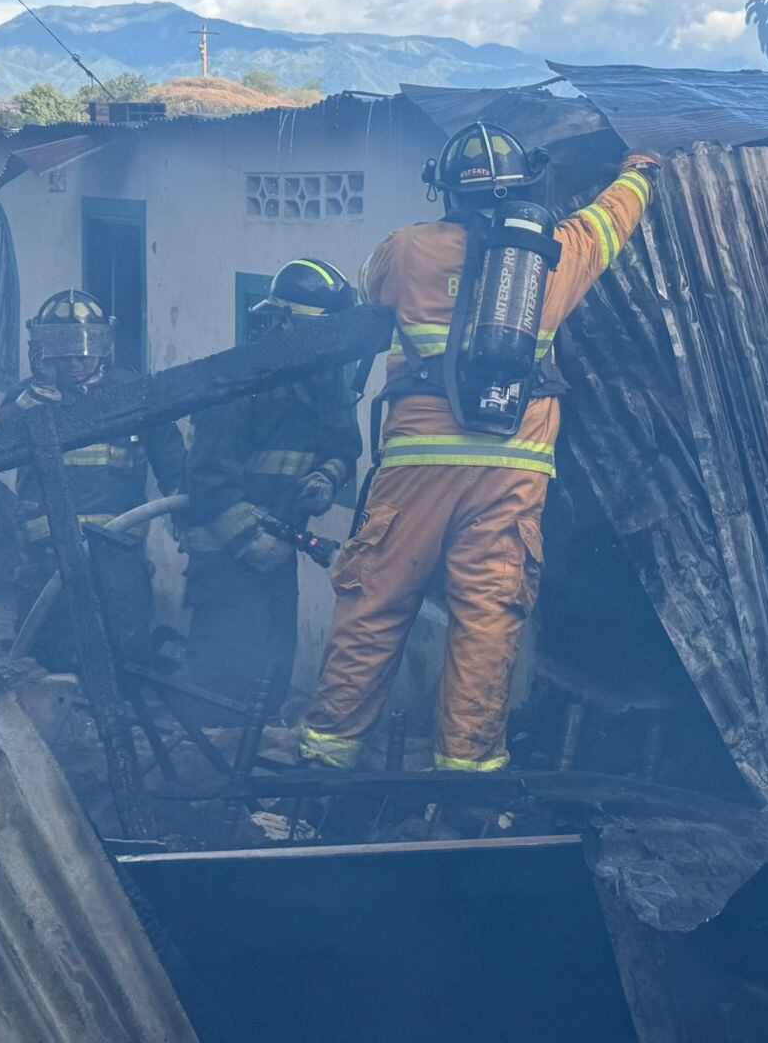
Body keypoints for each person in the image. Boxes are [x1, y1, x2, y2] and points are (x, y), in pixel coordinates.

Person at [299, 123, 658, 772]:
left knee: (376, 597)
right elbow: (612, 220)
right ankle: (466, 773)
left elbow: (366, 294)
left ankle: (327, 754)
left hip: (419, 464)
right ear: (522, 184)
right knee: (488, 613)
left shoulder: (405, 250)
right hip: (514, 463)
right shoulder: (560, 248)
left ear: (443, 189)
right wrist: (639, 169)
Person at [181, 258, 362, 717]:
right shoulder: (239, 381)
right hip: (226, 559)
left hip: (277, 554)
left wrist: (328, 477)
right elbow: (206, 475)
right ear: (279, 323)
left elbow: (345, 447)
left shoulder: (324, 386)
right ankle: (208, 773)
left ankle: (249, 768)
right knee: (223, 680)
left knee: (270, 673)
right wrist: (249, 539)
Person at [0, 290, 186, 668]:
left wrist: (185, 505)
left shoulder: (132, 392)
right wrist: (43, 390)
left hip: (118, 543)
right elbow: (8, 435)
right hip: (48, 545)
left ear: (105, 346)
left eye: (84, 350)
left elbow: (170, 457)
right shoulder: (26, 398)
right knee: (47, 641)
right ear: (43, 351)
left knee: (126, 631)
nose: (74, 361)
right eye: (62, 351)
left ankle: (128, 704)